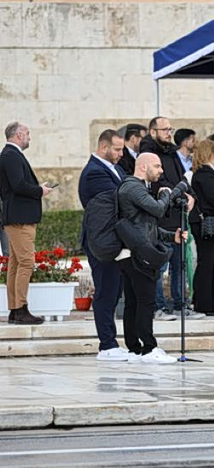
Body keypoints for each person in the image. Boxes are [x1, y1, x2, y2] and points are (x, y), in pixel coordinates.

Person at [116, 153, 192, 364]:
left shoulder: (137, 188)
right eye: (157, 166)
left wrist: (171, 236)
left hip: (134, 251)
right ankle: (148, 349)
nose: (161, 170)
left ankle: (135, 349)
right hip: (138, 254)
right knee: (144, 302)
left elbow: (147, 226)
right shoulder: (133, 187)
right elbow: (158, 210)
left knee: (134, 302)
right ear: (143, 167)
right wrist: (172, 191)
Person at [139, 116, 202, 320]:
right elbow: (160, 181)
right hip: (161, 218)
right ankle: (158, 307)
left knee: (179, 264)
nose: (168, 132)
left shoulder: (171, 151)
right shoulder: (149, 153)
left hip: (177, 216)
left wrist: (190, 194)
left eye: (169, 129)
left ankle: (180, 305)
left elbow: (181, 177)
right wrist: (179, 194)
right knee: (160, 265)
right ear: (153, 132)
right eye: (164, 129)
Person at [78, 129, 127, 358]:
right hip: (101, 241)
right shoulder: (94, 173)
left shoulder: (115, 169)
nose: (121, 153)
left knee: (114, 291)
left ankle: (112, 341)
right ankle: (106, 344)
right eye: (117, 149)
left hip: (114, 241)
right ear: (104, 147)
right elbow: (121, 198)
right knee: (106, 292)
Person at [0, 122, 53, 326]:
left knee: (15, 263)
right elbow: (18, 185)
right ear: (19, 135)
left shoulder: (9, 155)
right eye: (28, 134)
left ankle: (15, 309)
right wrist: (39, 191)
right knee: (25, 263)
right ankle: (20, 308)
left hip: (15, 216)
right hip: (20, 218)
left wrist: (37, 188)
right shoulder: (11, 155)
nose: (29, 137)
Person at [188, 139, 214, 317]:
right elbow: (213, 198)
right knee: (208, 262)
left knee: (210, 261)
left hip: (205, 222)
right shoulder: (205, 174)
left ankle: (208, 301)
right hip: (206, 222)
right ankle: (205, 303)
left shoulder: (203, 173)